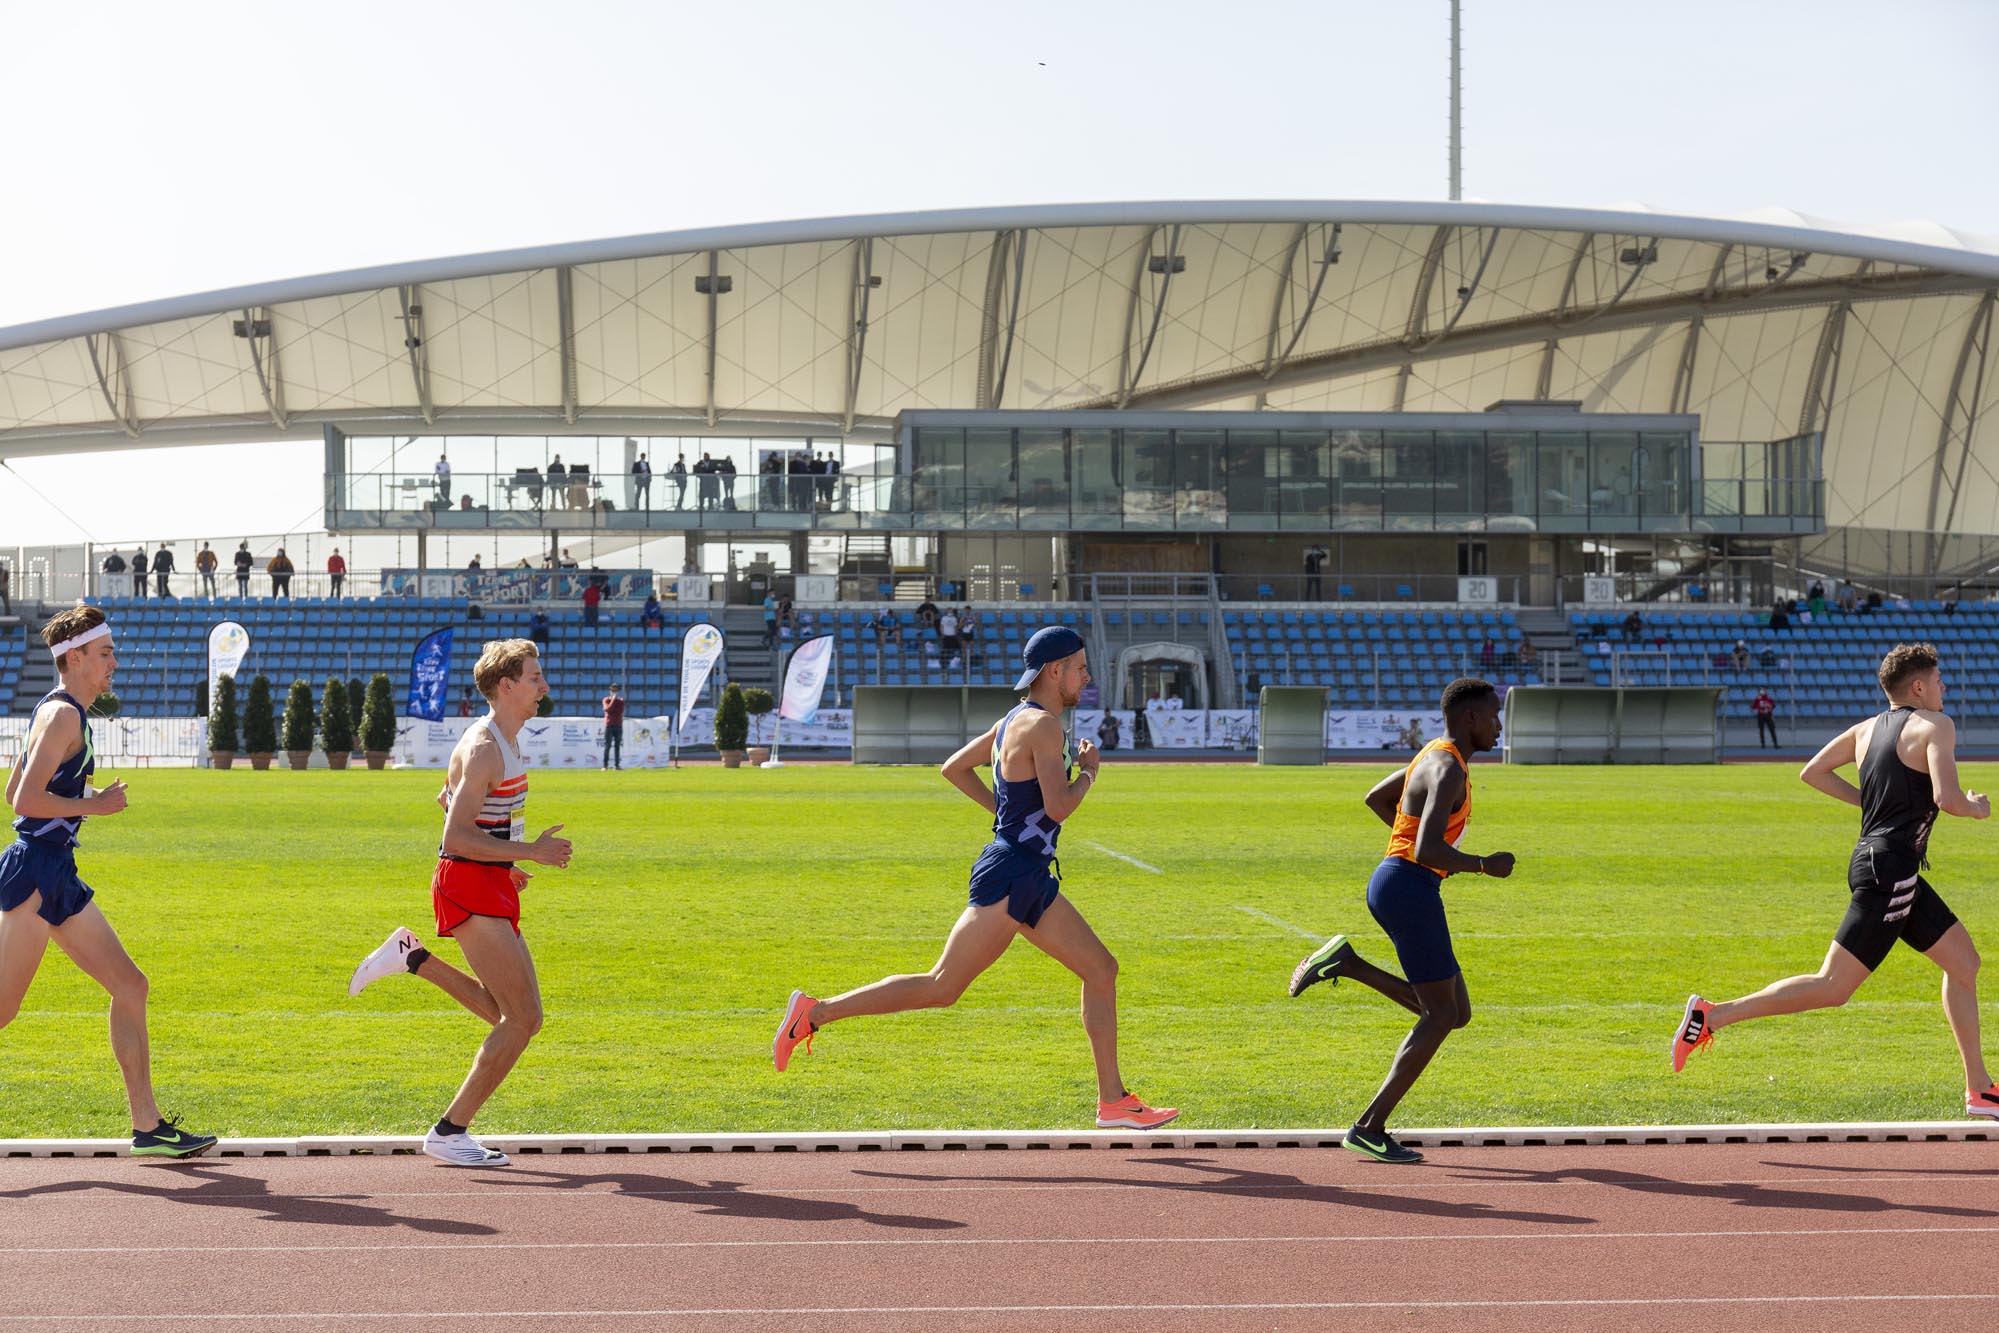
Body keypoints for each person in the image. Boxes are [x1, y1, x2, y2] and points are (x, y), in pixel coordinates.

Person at [772, 625, 1180, 1131]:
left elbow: (952, 768)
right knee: (942, 986)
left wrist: (1005, 815)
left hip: (1024, 872)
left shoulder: (1011, 721)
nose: (1085, 676)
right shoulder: (1046, 728)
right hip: (1012, 876)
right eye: (1079, 668)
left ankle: (1113, 1100)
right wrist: (1090, 773)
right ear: (1054, 671)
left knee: (1101, 970)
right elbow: (1058, 806)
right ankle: (815, 1013)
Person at [1672, 643, 1999, 1121]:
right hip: (1890, 871)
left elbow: (1813, 772)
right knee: (1833, 986)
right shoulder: (1937, 726)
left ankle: (1979, 1089)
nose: (1945, 689)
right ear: (1918, 686)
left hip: (1882, 863)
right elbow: (1946, 798)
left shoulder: (1865, 730)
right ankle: (1710, 1016)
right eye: (1940, 680)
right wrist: (1977, 807)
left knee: (1964, 963)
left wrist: (1871, 806)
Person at [1, 605, 218, 1159]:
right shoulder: (63, 716)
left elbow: (13, 794)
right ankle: (146, 1125)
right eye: (105, 654)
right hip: (33, 874)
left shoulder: (59, 711)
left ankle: (147, 1126)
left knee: (131, 985)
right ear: (74, 658)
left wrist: (82, 804)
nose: (114, 664)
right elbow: (23, 803)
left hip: (56, 873)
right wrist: (94, 807)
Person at [347, 638, 572, 1166]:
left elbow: (449, 800)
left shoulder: (506, 741)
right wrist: (531, 852)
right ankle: (449, 1131)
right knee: (522, 1019)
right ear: (506, 686)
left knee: (515, 1015)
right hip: (467, 882)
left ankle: (412, 958)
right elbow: (453, 837)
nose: (544, 686)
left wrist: (506, 861)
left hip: (485, 878)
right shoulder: (486, 747)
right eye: (535, 678)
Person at [1288, 678, 1515, 1164]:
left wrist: (1411, 855)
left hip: (1402, 882)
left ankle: (1347, 964)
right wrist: (1482, 865)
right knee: (1440, 1015)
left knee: (1456, 1012)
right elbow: (1426, 848)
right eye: (1494, 715)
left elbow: (1377, 798)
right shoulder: (1448, 768)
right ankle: (1369, 1127)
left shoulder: (1433, 754)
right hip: (1408, 886)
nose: (1499, 724)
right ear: (1470, 717)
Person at [602, 683, 625, 771]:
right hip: (609, 725)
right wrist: (613, 700)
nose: (614, 692)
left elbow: (619, 711)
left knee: (617, 746)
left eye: (615, 690)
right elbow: (607, 709)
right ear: (610, 691)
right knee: (607, 746)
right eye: (612, 690)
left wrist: (613, 703)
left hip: (618, 725)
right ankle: (605, 765)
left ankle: (617, 765)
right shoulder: (605, 699)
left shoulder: (621, 701)